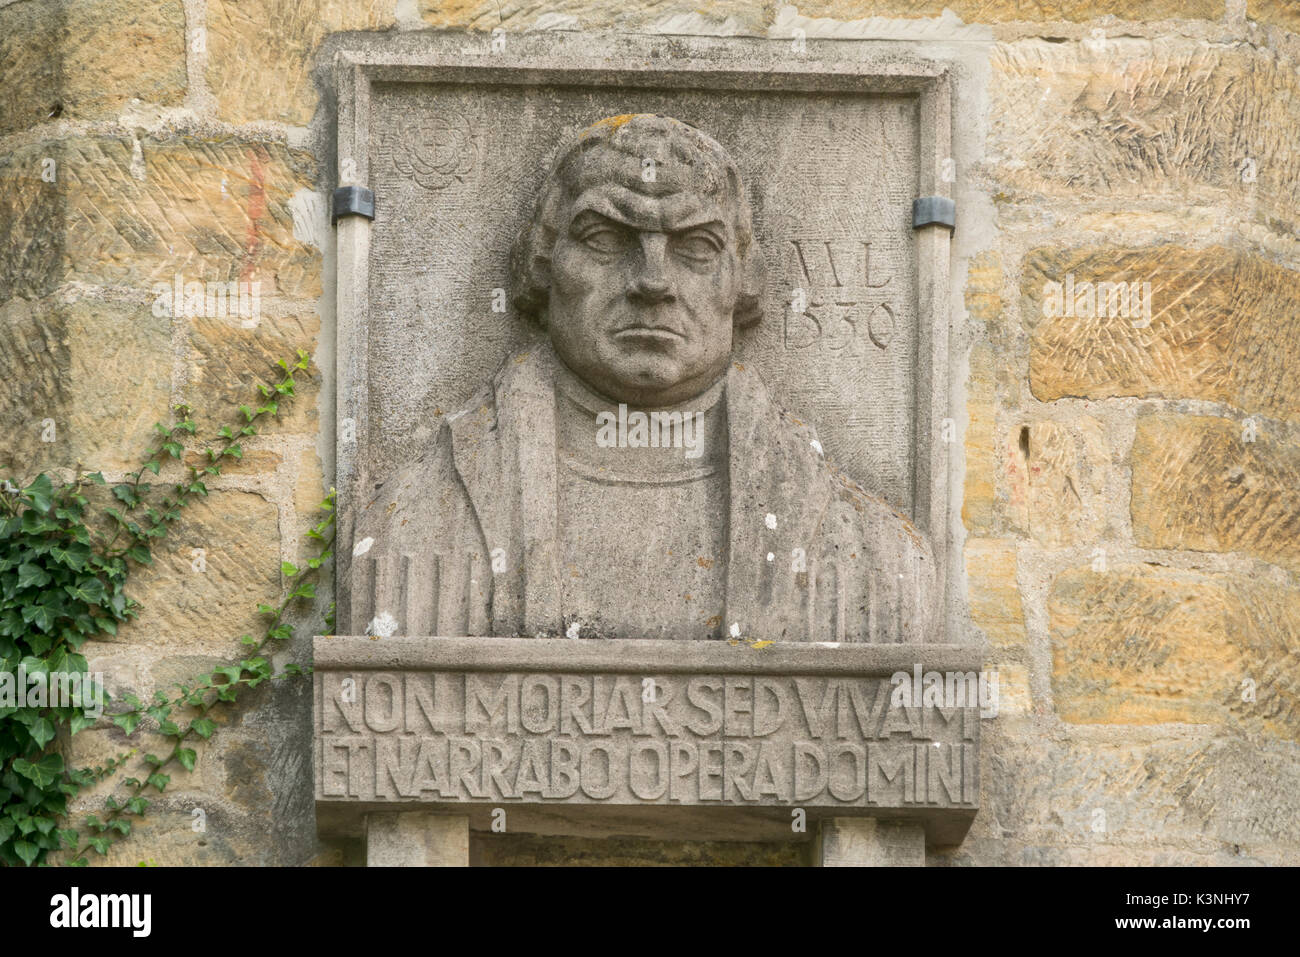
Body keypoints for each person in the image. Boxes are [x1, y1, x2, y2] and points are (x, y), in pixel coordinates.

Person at [349, 114, 936, 643]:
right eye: (605, 239)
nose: (652, 281)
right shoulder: (416, 522)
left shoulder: (874, 557)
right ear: (543, 266)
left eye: (696, 246)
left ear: (742, 280)